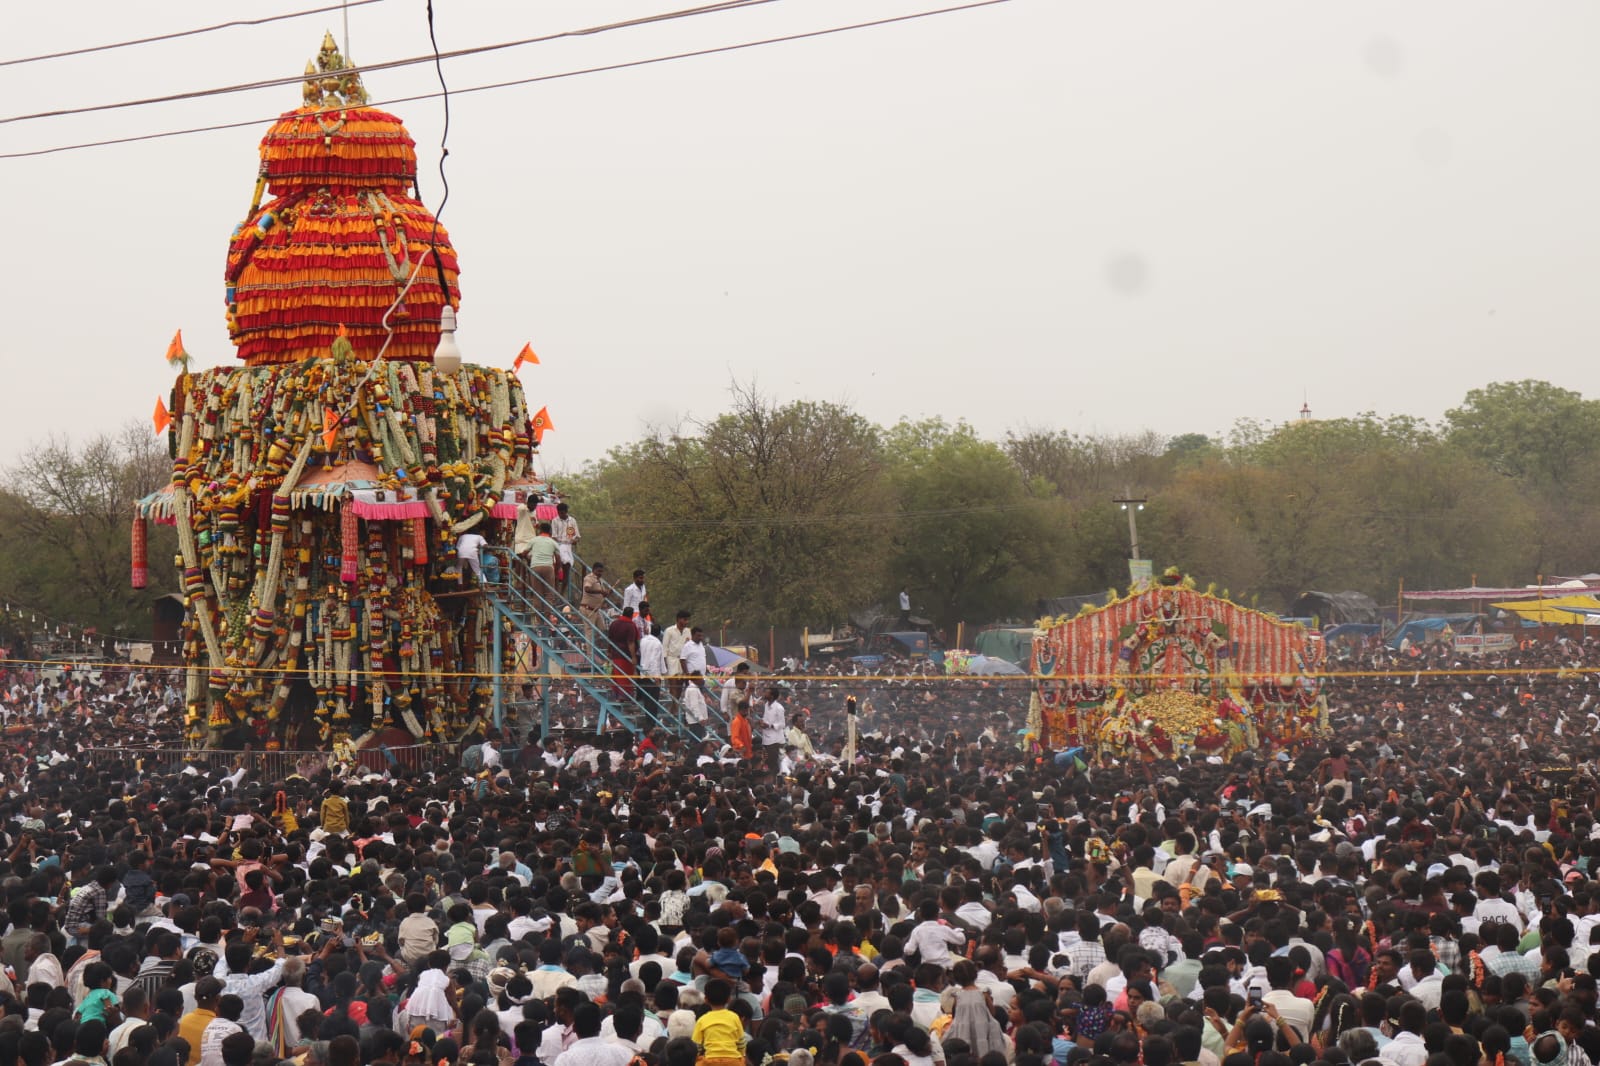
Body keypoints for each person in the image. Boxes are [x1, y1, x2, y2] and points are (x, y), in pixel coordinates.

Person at [691, 979, 746, 1066]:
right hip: (733, 1061)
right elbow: (741, 1043)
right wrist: (741, 1056)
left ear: (706, 999)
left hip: (710, 1061)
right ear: (729, 999)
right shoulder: (734, 1017)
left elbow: (696, 1046)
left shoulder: (702, 1020)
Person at [606, 607, 640, 698]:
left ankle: (617, 695)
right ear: (631, 615)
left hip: (615, 654)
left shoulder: (614, 623)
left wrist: (608, 651)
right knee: (625, 677)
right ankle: (624, 697)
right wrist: (633, 657)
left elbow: (610, 639)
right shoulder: (630, 626)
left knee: (617, 676)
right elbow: (631, 643)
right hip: (626, 656)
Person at [525, 522, 560, 603]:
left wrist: (528, 558)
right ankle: (548, 610)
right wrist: (556, 571)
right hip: (548, 568)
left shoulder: (533, 540)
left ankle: (537, 611)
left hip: (535, 567)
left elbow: (524, 553)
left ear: (540, 530)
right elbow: (558, 559)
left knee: (537, 594)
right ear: (550, 531)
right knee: (549, 594)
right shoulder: (553, 542)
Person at [550, 502, 581, 592]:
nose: (561, 515)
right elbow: (554, 536)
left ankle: (561, 592)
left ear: (566, 512)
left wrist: (574, 541)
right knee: (556, 569)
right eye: (559, 513)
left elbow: (577, 536)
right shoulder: (555, 521)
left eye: (563, 513)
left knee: (567, 568)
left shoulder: (572, 521)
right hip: (558, 546)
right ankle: (555, 590)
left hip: (568, 547)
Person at [638, 625, 666, 718]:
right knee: (653, 700)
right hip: (653, 675)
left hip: (643, 673)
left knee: (647, 699)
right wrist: (657, 676)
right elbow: (655, 660)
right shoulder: (657, 643)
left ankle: (648, 719)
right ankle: (651, 721)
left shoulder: (643, 640)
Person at [759, 685, 787, 772]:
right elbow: (766, 719)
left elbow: (782, 724)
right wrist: (761, 722)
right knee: (767, 762)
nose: (764, 693)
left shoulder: (779, 708)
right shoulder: (766, 705)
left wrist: (769, 726)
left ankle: (775, 778)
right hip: (766, 738)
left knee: (773, 763)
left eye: (766, 692)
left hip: (775, 740)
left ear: (771, 696)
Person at [680, 673, 709, 741]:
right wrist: (700, 718)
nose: (702, 680)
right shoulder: (692, 689)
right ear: (696, 679)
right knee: (696, 741)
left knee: (699, 740)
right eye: (701, 678)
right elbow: (694, 706)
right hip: (696, 721)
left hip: (697, 721)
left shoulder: (695, 688)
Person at [579, 564, 610, 628]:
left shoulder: (600, 580)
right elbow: (587, 589)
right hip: (588, 609)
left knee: (602, 629)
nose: (600, 573)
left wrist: (607, 593)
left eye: (601, 571)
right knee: (589, 630)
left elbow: (603, 594)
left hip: (596, 610)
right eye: (598, 571)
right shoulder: (589, 578)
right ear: (593, 570)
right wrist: (600, 591)